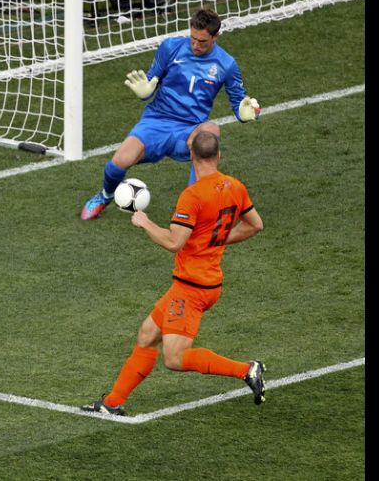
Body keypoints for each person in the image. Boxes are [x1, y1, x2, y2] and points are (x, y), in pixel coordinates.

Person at [81, 131, 266, 415]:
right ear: (218, 156)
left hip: (192, 288)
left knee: (174, 358)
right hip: (203, 282)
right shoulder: (234, 186)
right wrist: (214, 240)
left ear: (192, 156)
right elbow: (255, 225)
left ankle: (246, 369)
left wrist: (144, 222)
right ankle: (112, 403)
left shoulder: (192, 196)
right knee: (147, 334)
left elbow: (173, 242)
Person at [80, 7, 260, 220]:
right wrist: (145, 91)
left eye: (202, 42)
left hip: (189, 129)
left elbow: (240, 102)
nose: (195, 45)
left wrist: (247, 112)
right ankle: (105, 195)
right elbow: (151, 79)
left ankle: (194, 207)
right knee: (119, 161)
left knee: (211, 129)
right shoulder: (171, 47)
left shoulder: (226, 65)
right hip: (157, 120)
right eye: (192, 38)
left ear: (215, 36)